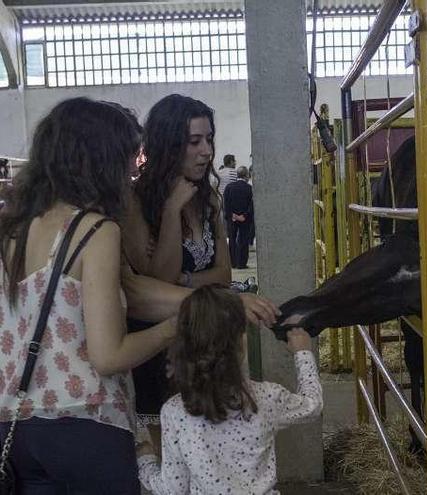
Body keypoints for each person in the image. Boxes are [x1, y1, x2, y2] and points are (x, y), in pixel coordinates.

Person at [0, 97, 177, 493]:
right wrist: (174, 329)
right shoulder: (95, 230)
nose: (134, 168)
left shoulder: (12, 230)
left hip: (15, 429)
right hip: (84, 425)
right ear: (98, 160)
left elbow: (125, 291)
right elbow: (108, 356)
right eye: (127, 156)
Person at [136, 285, 322, 494]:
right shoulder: (267, 397)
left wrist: (146, 461)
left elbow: (173, 489)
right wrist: (303, 353)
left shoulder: (175, 412)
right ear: (240, 342)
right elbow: (312, 405)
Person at [122, 93, 233, 435]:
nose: (207, 151)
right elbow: (158, 276)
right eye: (194, 141)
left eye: (209, 139)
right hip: (154, 344)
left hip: (203, 337)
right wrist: (171, 210)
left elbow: (225, 275)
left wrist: (185, 278)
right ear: (169, 144)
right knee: (162, 443)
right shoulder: (136, 201)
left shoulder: (209, 198)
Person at [224, 166, 255, 269]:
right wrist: (244, 216)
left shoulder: (229, 187)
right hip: (244, 219)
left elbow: (226, 204)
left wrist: (232, 215)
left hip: (232, 218)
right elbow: (251, 205)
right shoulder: (249, 188)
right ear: (246, 176)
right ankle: (242, 263)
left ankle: (233, 262)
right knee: (243, 240)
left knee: (232, 239)